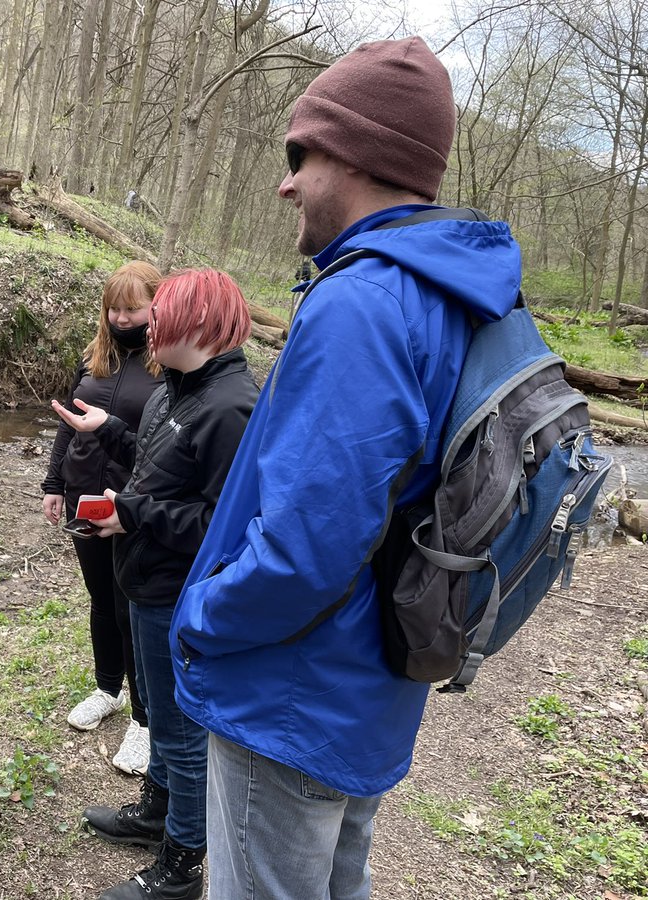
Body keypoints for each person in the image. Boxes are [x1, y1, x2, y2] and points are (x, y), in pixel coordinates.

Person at [170, 37, 523, 899]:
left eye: (301, 155)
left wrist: (203, 617)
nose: (286, 183)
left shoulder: (362, 301)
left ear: (358, 156)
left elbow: (307, 550)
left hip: (289, 694)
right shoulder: (460, 292)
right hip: (370, 681)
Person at [54, 268, 258, 900]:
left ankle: (181, 866)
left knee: (180, 733)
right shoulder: (174, 388)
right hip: (142, 580)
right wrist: (107, 431)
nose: (145, 329)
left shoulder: (231, 407)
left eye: (158, 318)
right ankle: (155, 814)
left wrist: (134, 514)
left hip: (179, 591)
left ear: (198, 325)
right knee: (160, 716)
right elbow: (157, 462)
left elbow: (227, 524)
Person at [42, 261, 163, 775]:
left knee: (129, 606)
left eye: (132, 308)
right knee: (100, 599)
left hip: (133, 503)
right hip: (83, 497)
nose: (121, 318)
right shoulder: (94, 358)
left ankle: (145, 719)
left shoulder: (167, 366)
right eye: (113, 308)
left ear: (156, 306)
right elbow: (69, 425)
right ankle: (107, 688)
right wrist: (54, 484)